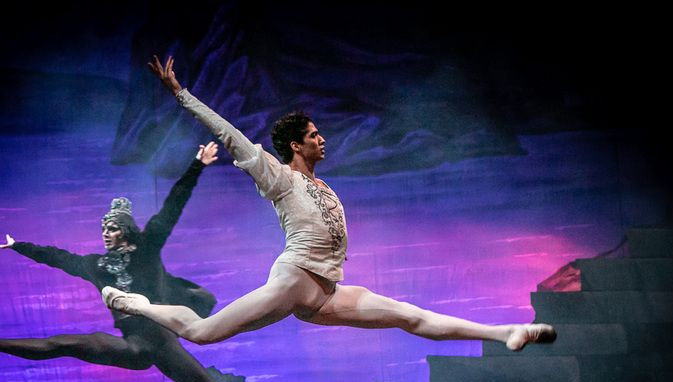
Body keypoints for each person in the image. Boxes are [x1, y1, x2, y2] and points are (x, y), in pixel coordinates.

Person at [102, 56, 556, 353]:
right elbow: (229, 133)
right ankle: (134, 303)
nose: (323, 139)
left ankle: (505, 333)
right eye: (315, 135)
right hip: (294, 280)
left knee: (409, 316)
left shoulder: (325, 186)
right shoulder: (278, 176)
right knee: (203, 332)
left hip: (326, 292)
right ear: (296, 145)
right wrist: (180, 93)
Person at [0, 142, 283, 382]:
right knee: (62, 344)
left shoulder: (147, 247)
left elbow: (173, 206)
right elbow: (56, 257)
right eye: (103, 229)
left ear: (125, 229)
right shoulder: (95, 265)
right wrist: (19, 246)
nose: (105, 234)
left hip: (162, 342)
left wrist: (197, 165)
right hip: (133, 345)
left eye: (110, 228)